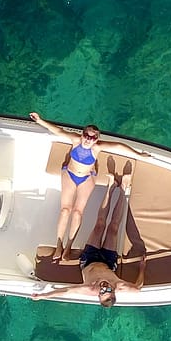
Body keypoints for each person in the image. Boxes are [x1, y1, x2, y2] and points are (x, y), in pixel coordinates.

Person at [28, 111, 148, 259]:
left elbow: (118, 146)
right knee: (65, 210)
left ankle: (69, 246)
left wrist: (137, 155)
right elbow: (58, 131)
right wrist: (40, 120)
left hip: (86, 178)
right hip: (70, 175)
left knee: (78, 212)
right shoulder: (76, 140)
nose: (88, 139)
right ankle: (59, 245)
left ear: (97, 139)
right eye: (87, 135)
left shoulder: (96, 148)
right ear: (82, 134)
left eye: (93, 137)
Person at [31, 166, 144, 307]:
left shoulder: (89, 289)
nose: (103, 287)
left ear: (98, 295)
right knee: (113, 227)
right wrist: (142, 267)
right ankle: (122, 188)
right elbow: (138, 287)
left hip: (89, 259)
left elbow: (66, 291)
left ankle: (110, 186)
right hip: (108, 262)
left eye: (101, 292)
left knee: (99, 226)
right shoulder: (120, 285)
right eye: (108, 289)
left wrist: (43, 296)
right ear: (114, 290)